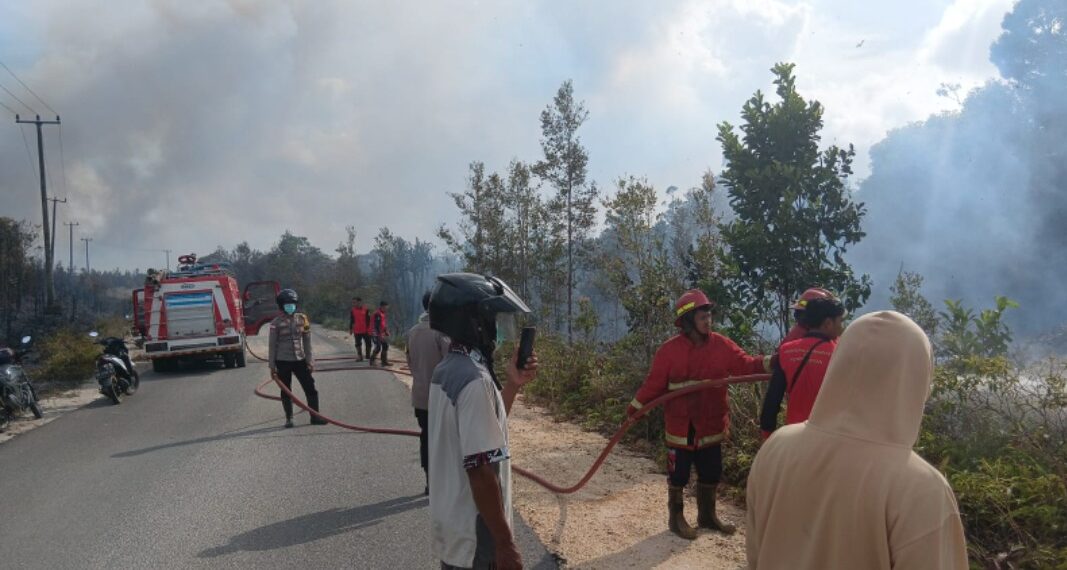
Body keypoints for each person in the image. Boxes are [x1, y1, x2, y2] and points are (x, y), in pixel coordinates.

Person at [746, 311, 968, 570]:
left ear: (840, 361)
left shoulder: (777, 447)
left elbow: (756, 556)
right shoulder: (920, 489)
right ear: (917, 378)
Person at [627, 289, 772, 539]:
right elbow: (653, 384)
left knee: (711, 470)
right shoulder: (669, 351)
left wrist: (772, 362)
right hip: (681, 426)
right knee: (679, 473)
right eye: (702, 317)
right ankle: (676, 518)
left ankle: (707, 516)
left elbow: (745, 364)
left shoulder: (721, 345)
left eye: (709, 316)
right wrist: (634, 410)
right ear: (688, 321)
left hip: (711, 423)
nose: (708, 321)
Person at [427, 273, 538, 570]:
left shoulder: (449, 369)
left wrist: (512, 385)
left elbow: (484, 428)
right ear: (475, 322)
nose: (499, 330)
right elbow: (480, 471)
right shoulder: (474, 381)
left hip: (455, 528)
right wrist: (505, 544)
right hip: (476, 534)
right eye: (494, 320)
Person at [759, 295, 846, 440]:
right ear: (828, 323)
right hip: (829, 437)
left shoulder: (786, 351)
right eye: (840, 321)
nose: (842, 327)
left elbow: (772, 401)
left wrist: (768, 439)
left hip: (795, 436)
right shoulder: (840, 353)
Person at [406, 290, 451, 495]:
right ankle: (445, 482)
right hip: (441, 397)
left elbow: (410, 363)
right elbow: (451, 365)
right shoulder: (441, 333)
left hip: (420, 396)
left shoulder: (413, 331)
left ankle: (430, 481)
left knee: (426, 438)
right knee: (445, 440)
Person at [268, 289, 327, 428]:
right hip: (282, 361)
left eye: (292, 303)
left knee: (310, 388)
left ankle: (315, 417)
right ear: (281, 305)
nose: (290, 306)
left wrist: (310, 361)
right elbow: (272, 346)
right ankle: (289, 419)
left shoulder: (302, 319)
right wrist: (272, 366)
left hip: (300, 360)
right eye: (287, 304)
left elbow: (307, 341)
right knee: (286, 390)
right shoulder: (275, 323)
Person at [349, 297, 372, 361]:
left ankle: (368, 356)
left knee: (368, 343)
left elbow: (369, 320)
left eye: (355, 302)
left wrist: (369, 329)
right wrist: (351, 329)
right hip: (357, 330)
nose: (353, 304)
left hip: (365, 330)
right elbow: (352, 320)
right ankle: (360, 356)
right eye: (353, 302)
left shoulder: (366, 310)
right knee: (358, 344)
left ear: (359, 302)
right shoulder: (353, 310)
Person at [368, 301, 391, 366]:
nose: (387, 308)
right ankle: (372, 361)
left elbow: (383, 324)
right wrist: (380, 335)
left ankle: (384, 361)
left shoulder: (383, 313)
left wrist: (386, 331)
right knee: (378, 347)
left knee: (385, 345)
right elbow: (376, 326)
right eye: (386, 307)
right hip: (375, 333)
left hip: (381, 333)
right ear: (382, 306)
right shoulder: (377, 314)